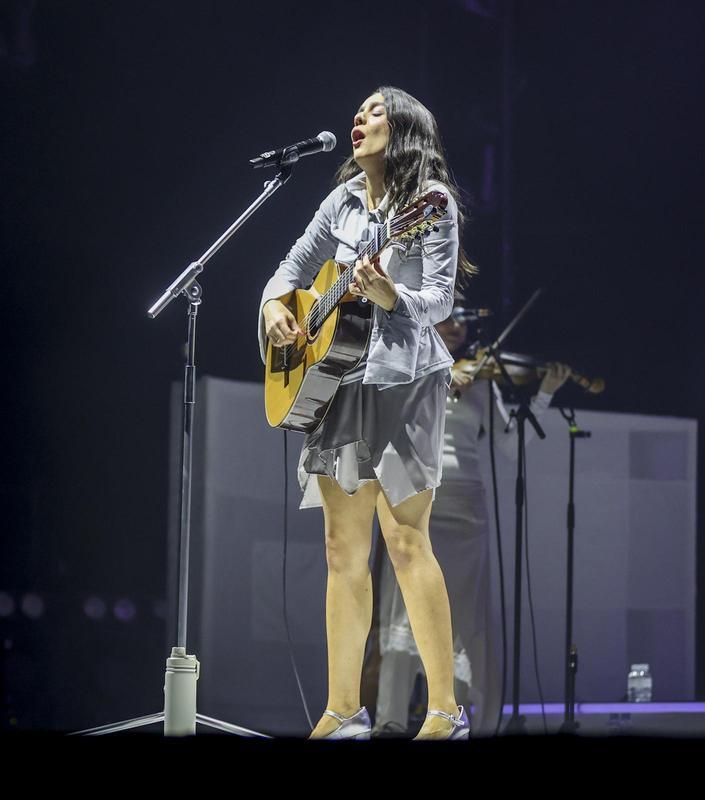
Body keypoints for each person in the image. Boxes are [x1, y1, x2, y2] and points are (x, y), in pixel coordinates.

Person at [259, 86, 475, 739]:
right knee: (340, 549)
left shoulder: (430, 203)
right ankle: (343, 708)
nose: (359, 118)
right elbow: (292, 268)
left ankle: (444, 711)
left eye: (376, 111)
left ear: (406, 128)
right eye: (357, 111)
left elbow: (439, 300)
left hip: (405, 377)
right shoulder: (343, 198)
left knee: (406, 542)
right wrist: (274, 305)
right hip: (338, 378)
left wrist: (390, 294)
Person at [372, 302, 571, 736]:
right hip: (414, 494)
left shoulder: (482, 379)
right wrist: (442, 375)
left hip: (467, 507)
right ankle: (389, 719)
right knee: (401, 607)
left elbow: (510, 447)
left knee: (466, 614)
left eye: (461, 320)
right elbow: (387, 414)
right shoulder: (409, 360)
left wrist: (544, 395)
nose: (456, 327)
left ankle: (464, 719)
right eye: (447, 317)